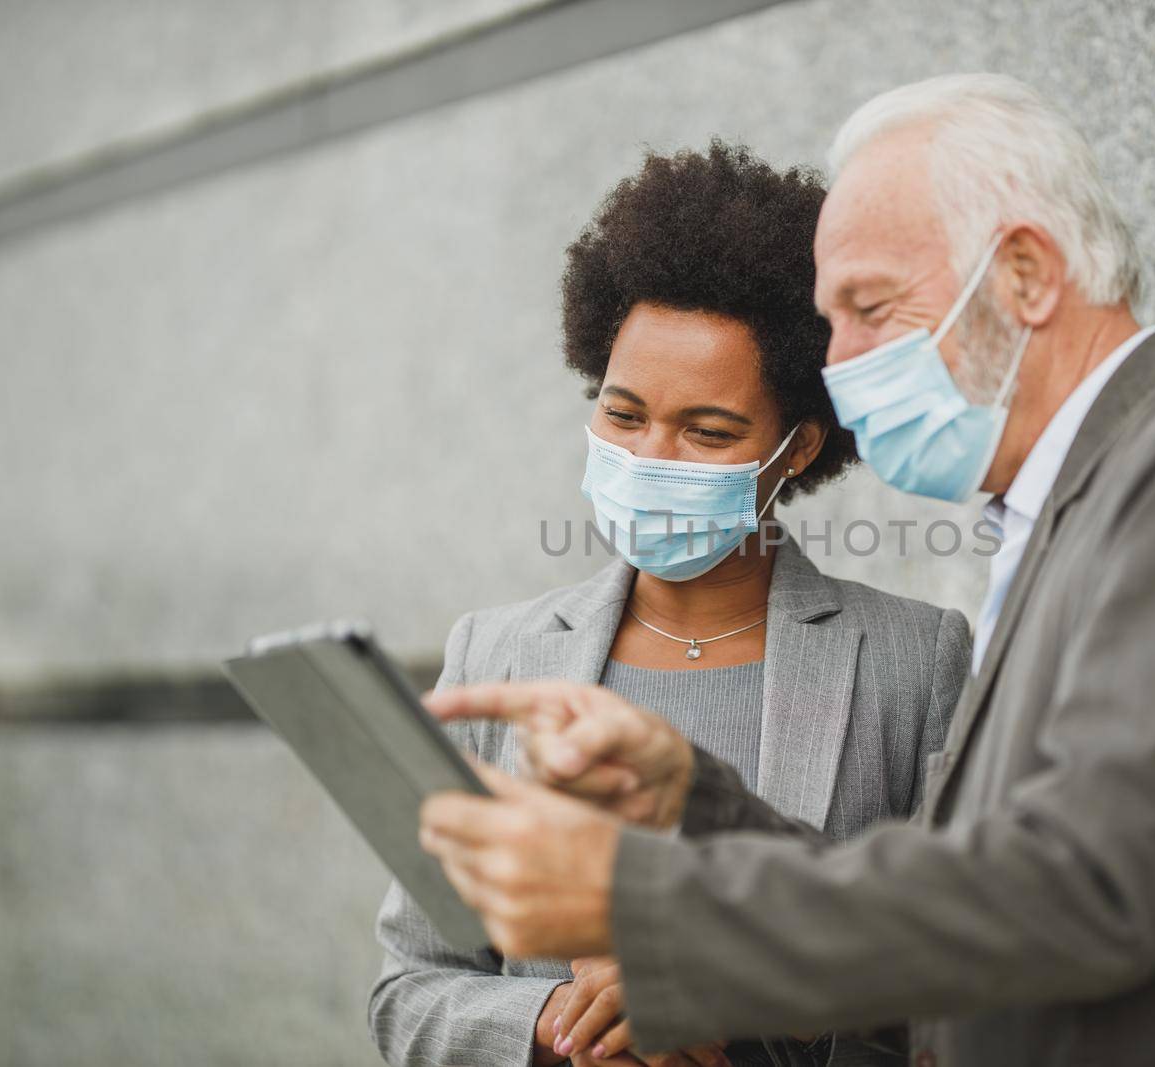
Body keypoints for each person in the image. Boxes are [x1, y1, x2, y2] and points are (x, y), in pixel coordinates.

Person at [416, 75, 1155, 1066]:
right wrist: (697, 802)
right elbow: (987, 892)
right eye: (833, 317)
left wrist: (650, 911)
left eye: (870, 307)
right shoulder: (1078, 508)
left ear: (1027, 276)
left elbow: (1080, 887)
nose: (842, 359)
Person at [369, 141, 972, 1067]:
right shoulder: (496, 654)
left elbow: (961, 999)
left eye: (708, 430)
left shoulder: (913, 658)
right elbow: (409, 986)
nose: (651, 456)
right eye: (622, 413)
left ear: (799, 446)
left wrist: (742, 999)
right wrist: (557, 1025)